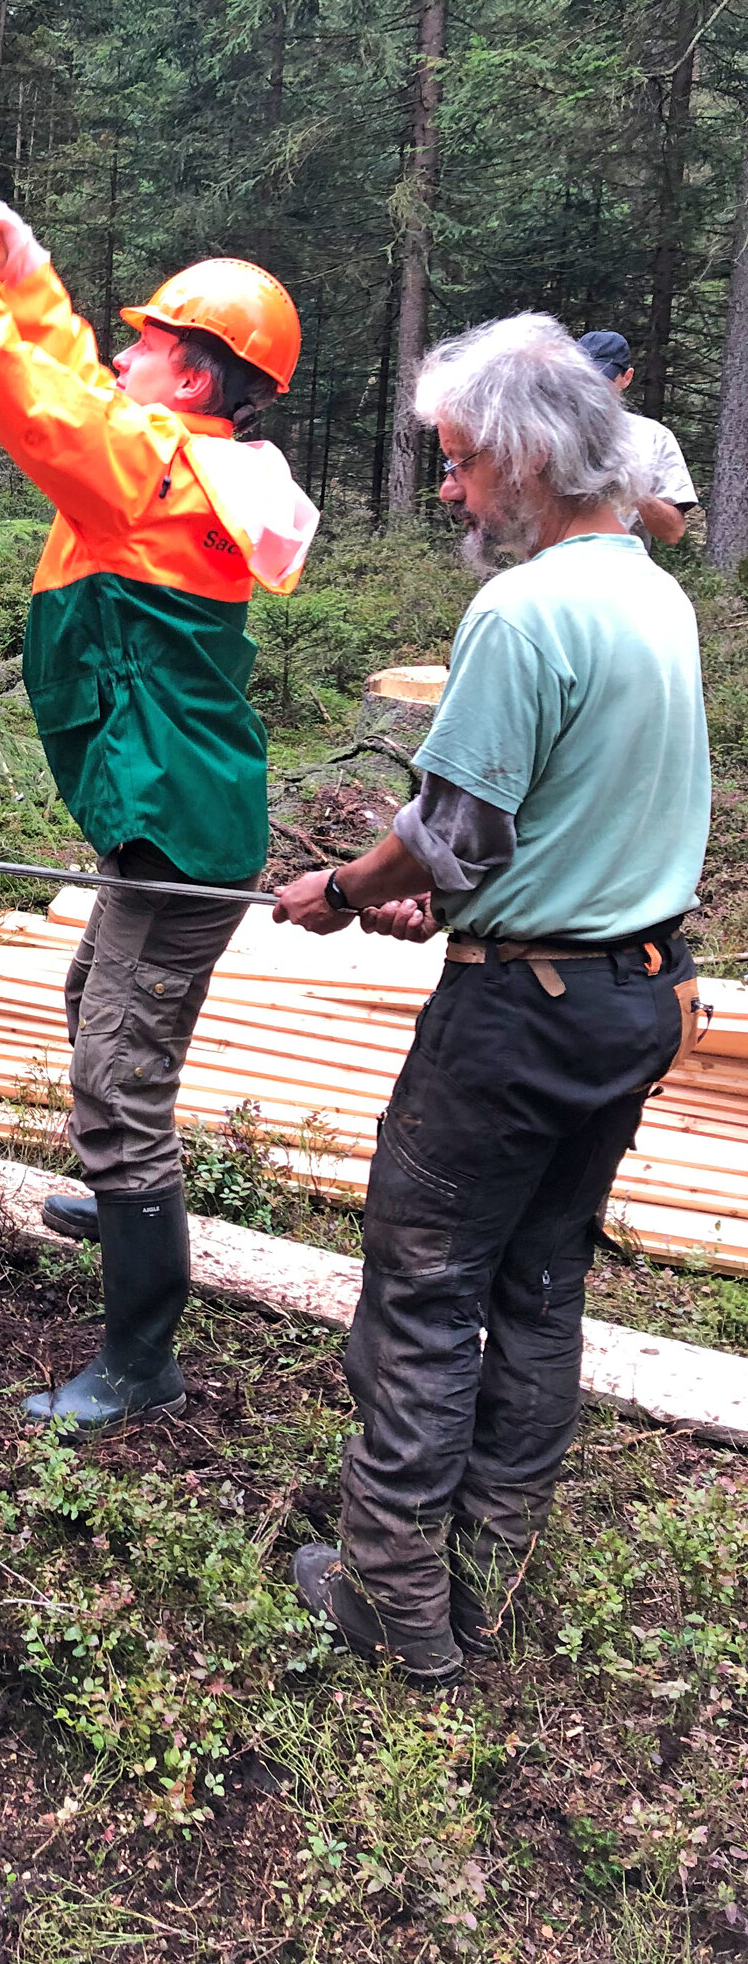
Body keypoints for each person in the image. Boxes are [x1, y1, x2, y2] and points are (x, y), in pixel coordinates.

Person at [0, 149, 318, 1431]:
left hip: (178, 837)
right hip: (158, 821)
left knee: (119, 1079)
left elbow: (14, 389)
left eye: (151, 340)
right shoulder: (176, 459)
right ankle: (118, 1199)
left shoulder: (148, 482)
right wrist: (28, 269)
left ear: (197, 375)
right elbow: (69, 375)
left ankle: (140, 1356)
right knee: (87, 1001)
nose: (128, 352)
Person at [272, 313, 710, 1684]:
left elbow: (451, 833)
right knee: (539, 1276)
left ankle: (391, 1597)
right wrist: (449, 901)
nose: (453, 489)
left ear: (526, 457)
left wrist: (348, 887)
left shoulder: (522, 610)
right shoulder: (654, 590)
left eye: (460, 463)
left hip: (518, 1026)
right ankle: (488, 1560)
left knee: (425, 1284)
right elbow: (549, 827)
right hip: (634, 996)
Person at [576, 329, 695, 545]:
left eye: (602, 378)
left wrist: (631, 486)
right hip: (554, 569)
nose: (592, 387)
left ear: (627, 377)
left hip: (626, 570)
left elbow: (673, 531)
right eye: (584, 378)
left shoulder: (653, 437)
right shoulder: (550, 432)